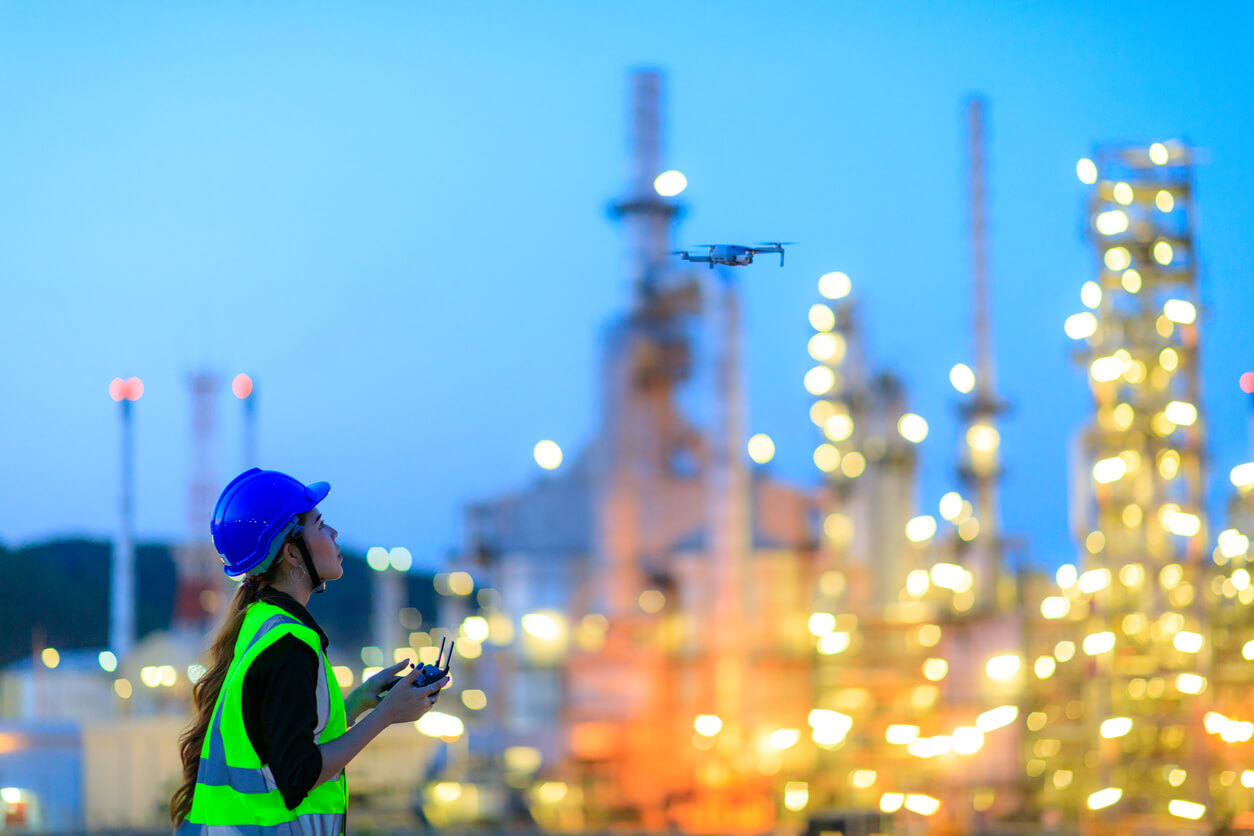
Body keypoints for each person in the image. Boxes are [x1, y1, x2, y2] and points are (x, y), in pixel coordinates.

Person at [170, 468, 449, 834]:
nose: (334, 535)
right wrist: (385, 716)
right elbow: (298, 774)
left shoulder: (262, 623)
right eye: (319, 524)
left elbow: (276, 739)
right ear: (291, 553)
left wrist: (358, 704)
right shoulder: (289, 644)